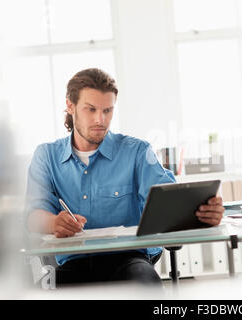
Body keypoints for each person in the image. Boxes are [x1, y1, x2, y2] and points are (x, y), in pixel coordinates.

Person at [24, 68, 225, 286]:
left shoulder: (137, 151)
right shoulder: (46, 156)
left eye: (107, 110)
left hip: (129, 260)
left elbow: (171, 202)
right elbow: (32, 215)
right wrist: (54, 222)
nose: (100, 119)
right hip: (74, 263)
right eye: (90, 109)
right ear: (70, 106)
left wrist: (204, 215)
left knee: (144, 285)